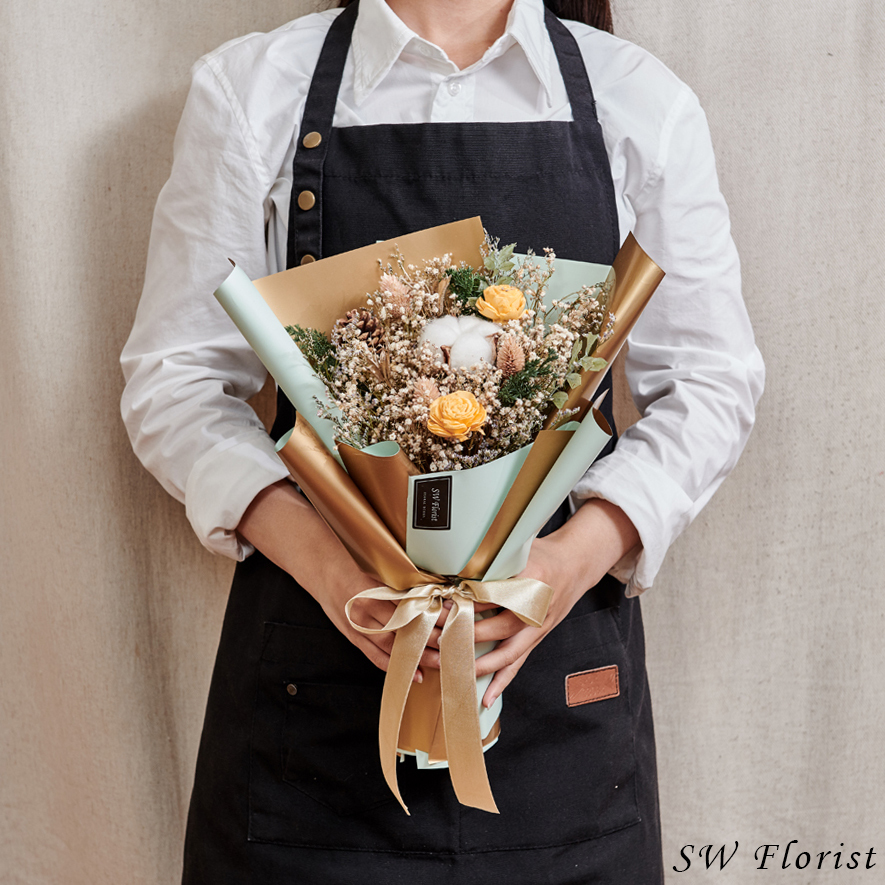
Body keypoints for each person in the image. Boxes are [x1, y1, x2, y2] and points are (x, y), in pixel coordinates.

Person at [120, 0, 764, 881]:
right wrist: (339, 577)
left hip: (558, 710)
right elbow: (178, 381)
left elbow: (709, 382)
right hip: (315, 712)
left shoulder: (635, 98)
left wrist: (566, 564)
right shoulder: (251, 90)